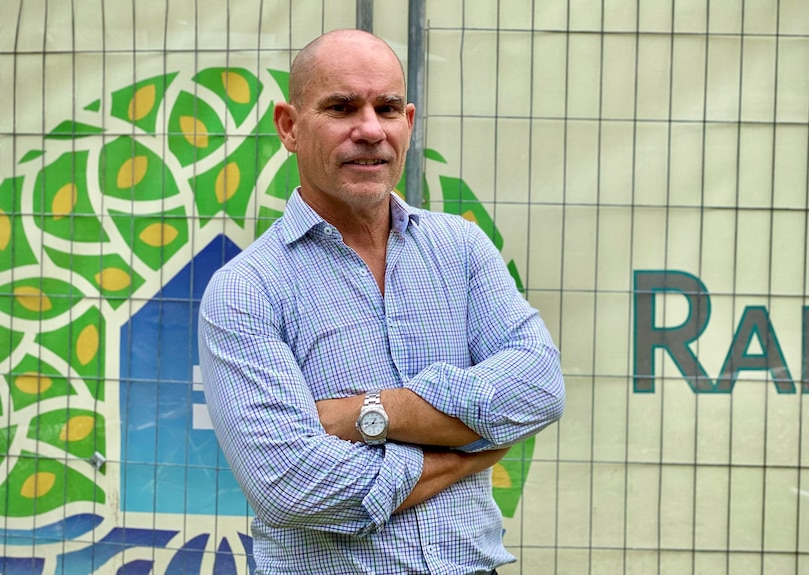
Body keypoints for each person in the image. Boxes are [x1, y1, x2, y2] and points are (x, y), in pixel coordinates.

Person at [198, 29, 565, 575]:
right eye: (342, 107)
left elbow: (539, 387)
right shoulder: (245, 291)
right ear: (289, 127)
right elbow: (289, 483)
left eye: (387, 108)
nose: (370, 129)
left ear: (408, 123)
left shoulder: (460, 249)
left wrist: (366, 415)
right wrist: (460, 452)